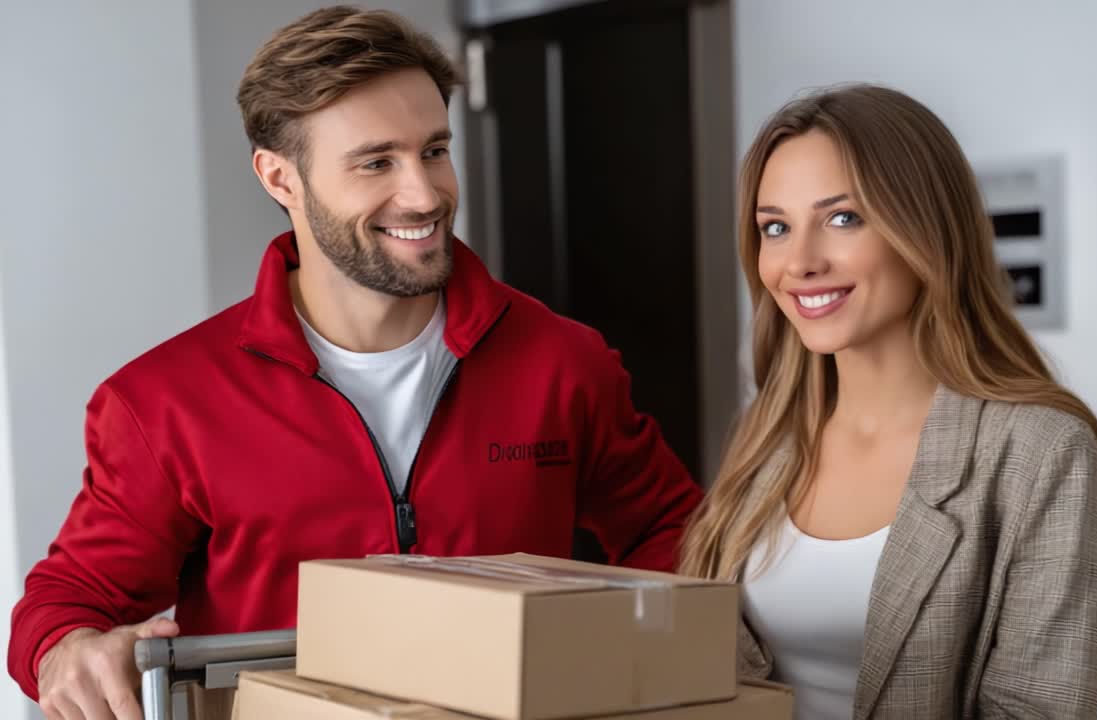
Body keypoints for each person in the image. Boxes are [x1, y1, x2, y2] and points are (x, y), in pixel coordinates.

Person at [9, 6, 702, 718]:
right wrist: (68, 648)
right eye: (377, 162)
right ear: (281, 179)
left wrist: (624, 662)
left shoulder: (563, 361)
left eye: (434, 150)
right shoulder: (163, 405)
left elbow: (673, 529)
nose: (425, 194)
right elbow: (65, 604)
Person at [679, 84, 1097, 719]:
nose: (798, 262)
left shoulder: (1039, 452)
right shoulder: (770, 432)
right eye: (775, 228)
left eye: (842, 218)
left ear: (925, 228)